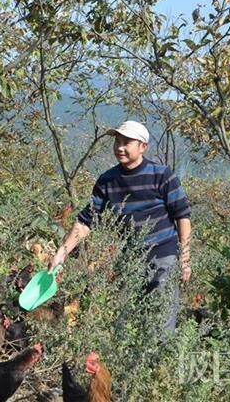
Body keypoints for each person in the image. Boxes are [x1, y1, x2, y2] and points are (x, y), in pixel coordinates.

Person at [47, 121, 192, 331]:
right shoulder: (107, 180)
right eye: (117, 142)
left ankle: (160, 362)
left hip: (164, 254)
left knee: (162, 316)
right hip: (130, 257)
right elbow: (86, 221)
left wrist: (185, 258)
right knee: (126, 319)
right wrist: (62, 251)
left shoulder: (162, 175)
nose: (120, 147)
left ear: (143, 146)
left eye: (126, 142)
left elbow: (183, 217)